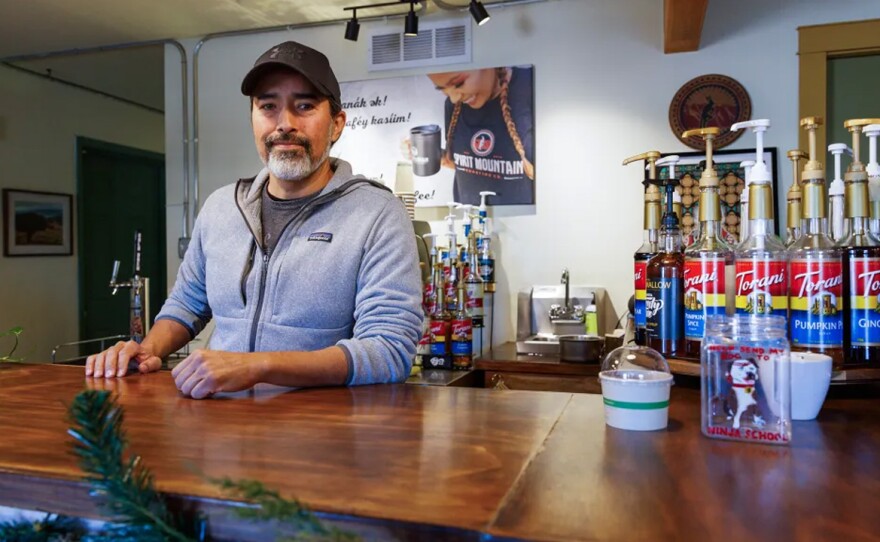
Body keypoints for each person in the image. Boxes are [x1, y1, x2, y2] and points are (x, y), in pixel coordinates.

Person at [85, 40, 423, 399]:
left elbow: (389, 350)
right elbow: (186, 303)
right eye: (268, 106)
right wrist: (146, 350)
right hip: (219, 427)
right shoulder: (220, 208)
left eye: (305, 106)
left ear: (337, 124)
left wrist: (258, 366)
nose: (285, 124)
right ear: (253, 118)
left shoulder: (377, 214)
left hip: (321, 434)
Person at [428, 66, 535, 206]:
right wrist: (432, 156)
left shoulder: (531, 87)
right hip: (470, 223)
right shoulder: (453, 106)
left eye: (459, 83)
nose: (454, 98)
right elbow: (467, 165)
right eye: (442, 89)